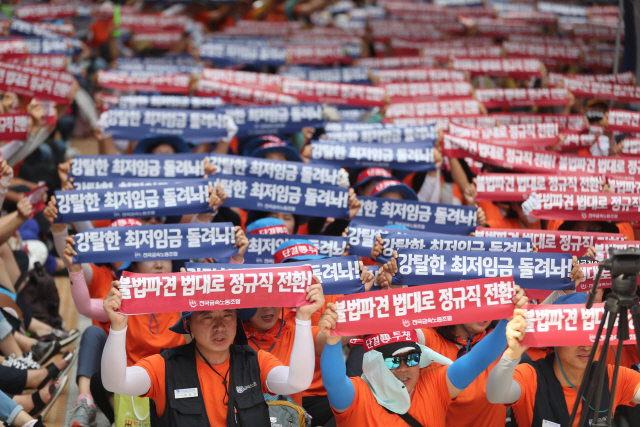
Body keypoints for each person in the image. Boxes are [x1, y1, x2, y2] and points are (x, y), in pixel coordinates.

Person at [101, 276, 325, 425]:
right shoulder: (164, 367)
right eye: (207, 316)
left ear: (237, 320)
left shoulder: (256, 361)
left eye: (227, 314)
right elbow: (115, 383)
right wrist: (118, 328)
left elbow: (297, 382)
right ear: (188, 325)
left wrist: (304, 319)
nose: (219, 326)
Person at [317, 286, 528, 426]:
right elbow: (334, 383)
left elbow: (477, 361)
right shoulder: (357, 395)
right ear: (375, 364)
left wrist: (507, 322)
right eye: (392, 360)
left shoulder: (434, 384)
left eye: (411, 358)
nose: (403, 368)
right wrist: (333, 341)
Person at [486, 292, 640, 427]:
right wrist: (512, 354)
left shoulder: (612, 377)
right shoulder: (531, 376)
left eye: (593, 334)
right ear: (554, 338)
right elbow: (496, 395)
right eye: (576, 336)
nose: (586, 346)